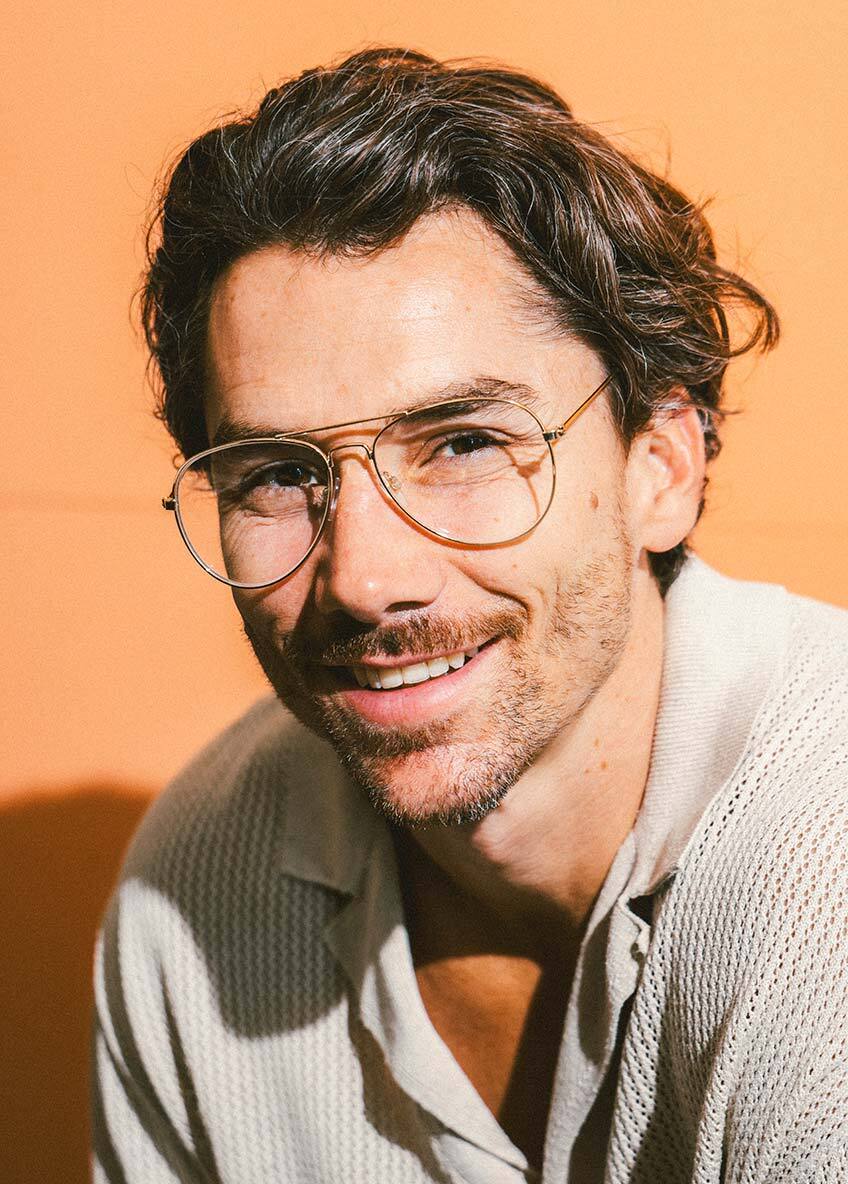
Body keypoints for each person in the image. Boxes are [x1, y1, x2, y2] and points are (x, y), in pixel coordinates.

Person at [92, 47, 848, 1184]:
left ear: (661, 466)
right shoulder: (199, 882)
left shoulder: (825, 857)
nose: (363, 579)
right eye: (279, 472)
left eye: (461, 443)